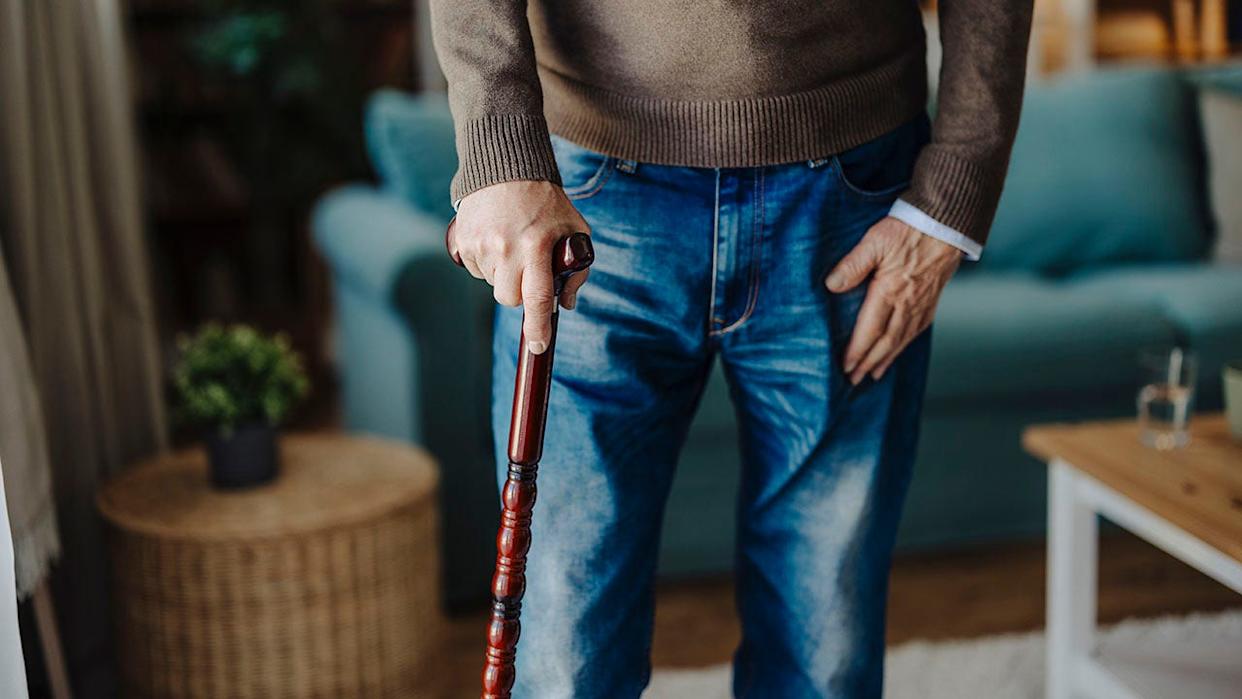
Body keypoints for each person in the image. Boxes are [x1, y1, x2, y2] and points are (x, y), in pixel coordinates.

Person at [431, 2, 1033, 697]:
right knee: (565, 655)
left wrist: (953, 192)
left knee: (823, 654)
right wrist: (497, 141)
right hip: (587, 191)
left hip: (850, 184)